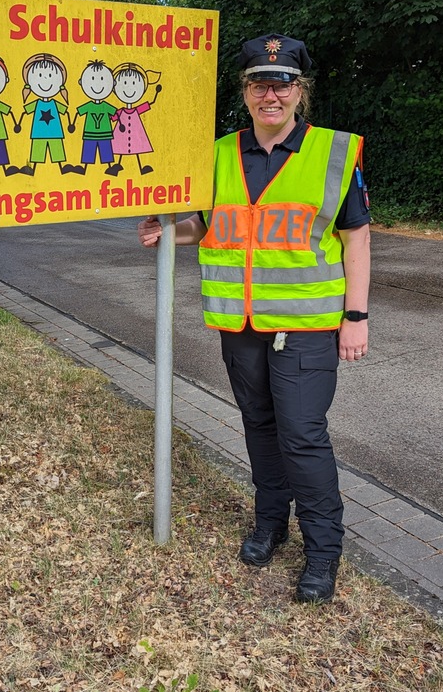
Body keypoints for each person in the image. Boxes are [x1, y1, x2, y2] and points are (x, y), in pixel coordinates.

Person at [137, 33, 370, 604]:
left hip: (308, 326)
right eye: (260, 84)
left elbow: (357, 239)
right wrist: (168, 229)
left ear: (300, 92)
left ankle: (323, 550)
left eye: (283, 84)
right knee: (260, 428)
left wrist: (357, 316)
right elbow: (203, 225)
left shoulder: (332, 152)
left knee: (302, 436)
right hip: (239, 325)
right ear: (245, 91)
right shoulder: (216, 154)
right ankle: (271, 524)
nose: (271, 95)